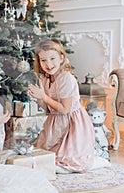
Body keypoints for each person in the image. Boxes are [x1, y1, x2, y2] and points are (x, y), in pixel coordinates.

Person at [28, 39, 95, 173]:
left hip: (71, 123)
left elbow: (65, 109)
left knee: (66, 161)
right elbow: (47, 109)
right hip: (55, 121)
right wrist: (38, 97)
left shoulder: (66, 78)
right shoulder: (44, 78)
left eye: (52, 58)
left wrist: (44, 96)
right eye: (43, 60)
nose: (48, 64)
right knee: (43, 155)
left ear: (61, 58)